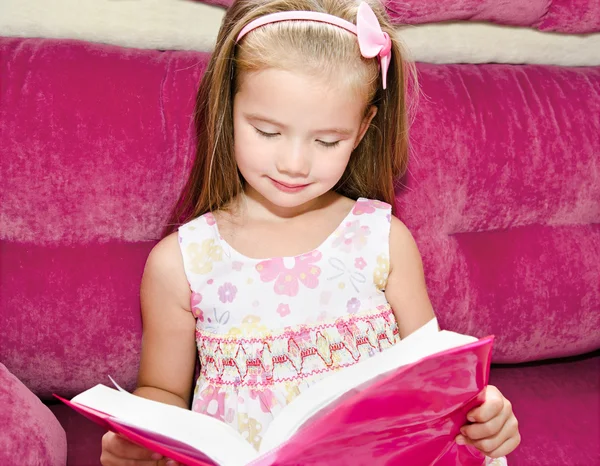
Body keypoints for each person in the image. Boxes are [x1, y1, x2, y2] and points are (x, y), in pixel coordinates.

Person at [100, 1, 521, 464]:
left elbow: (436, 384)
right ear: (228, 108)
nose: (294, 164)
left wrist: (486, 416)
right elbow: (162, 388)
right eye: (266, 131)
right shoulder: (180, 261)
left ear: (362, 130)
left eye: (327, 141)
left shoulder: (381, 239)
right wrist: (140, 440)